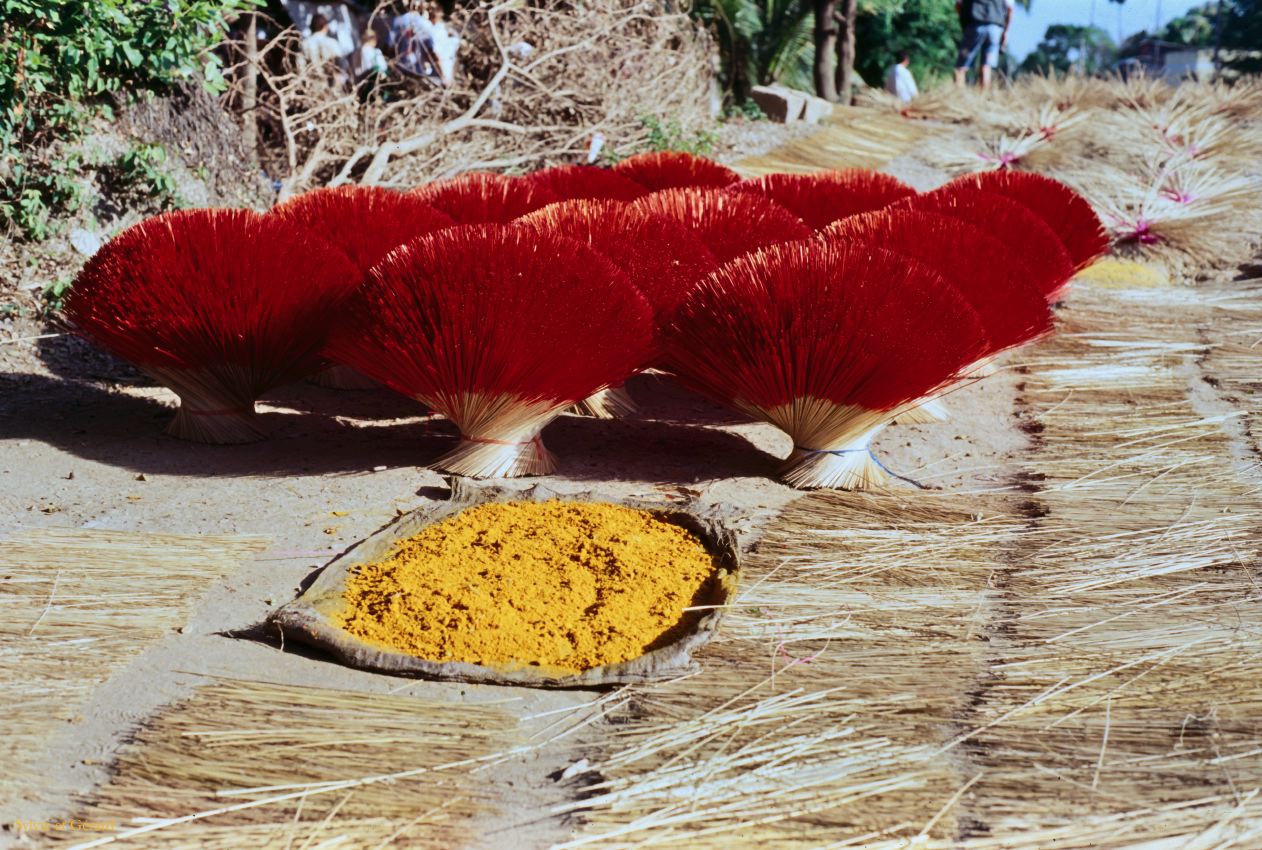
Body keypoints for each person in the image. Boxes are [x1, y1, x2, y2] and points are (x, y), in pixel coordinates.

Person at [954, 0, 1014, 90]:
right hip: (995, 29)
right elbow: (1010, 9)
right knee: (986, 66)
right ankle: (984, 95)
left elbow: (958, 4)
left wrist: (963, 22)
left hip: (974, 26)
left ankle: (958, 93)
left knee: (961, 67)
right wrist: (1005, 32)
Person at [389, 0, 438, 79]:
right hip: (419, 71)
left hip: (401, 69)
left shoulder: (398, 21)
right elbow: (431, 51)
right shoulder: (427, 25)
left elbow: (388, 47)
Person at [427, 3, 460, 87]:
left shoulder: (446, 29)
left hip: (448, 74)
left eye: (435, 9)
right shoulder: (432, 30)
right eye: (430, 9)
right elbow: (435, 55)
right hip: (440, 78)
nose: (431, 12)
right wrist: (444, 76)